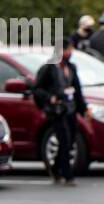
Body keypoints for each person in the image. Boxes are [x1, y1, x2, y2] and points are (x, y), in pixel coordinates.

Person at [33, 37, 88, 185]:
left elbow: (77, 89)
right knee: (63, 140)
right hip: (56, 110)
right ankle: (67, 175)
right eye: (67, 49)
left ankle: (56, 168)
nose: (70, 52)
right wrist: (49, 97)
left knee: (70, 141)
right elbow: (37, 89)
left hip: (70, 108)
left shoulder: (71, 67)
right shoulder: (48, 68)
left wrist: (83, 108)